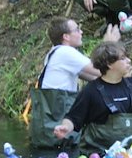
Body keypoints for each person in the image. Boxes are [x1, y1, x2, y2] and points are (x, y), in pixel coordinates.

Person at [29, 17, 119, 149]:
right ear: (66, 36)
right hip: (57, 136)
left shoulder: (54, 52)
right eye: (77, 29)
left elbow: (96, 78)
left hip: (46, 135)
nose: (81, 32)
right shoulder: (66, 52)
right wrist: (108, 45)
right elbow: (100, 70)